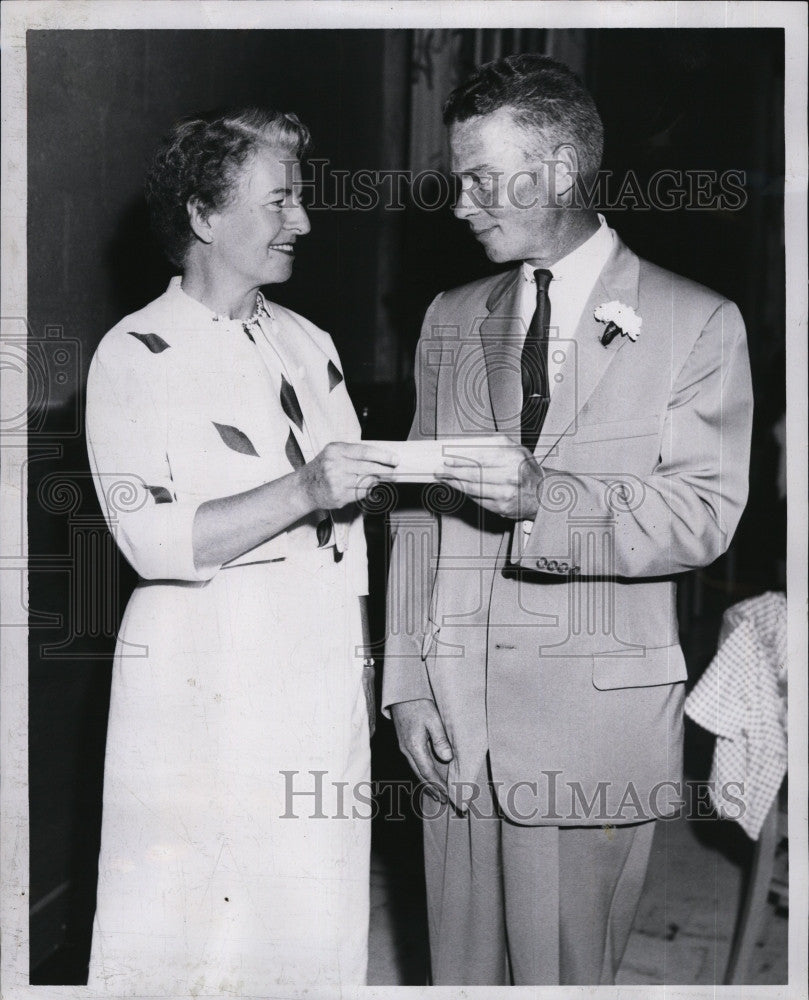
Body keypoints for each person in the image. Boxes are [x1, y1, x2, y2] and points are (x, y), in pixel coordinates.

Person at [383, 55, 753, 985]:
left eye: (477, 177)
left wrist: (546, 501)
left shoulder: (696, 322)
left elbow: (704, 515)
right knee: (459, 972)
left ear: (553, 169)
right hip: (453, 716)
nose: (460, 202)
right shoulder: (448, 315)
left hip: (591, 725)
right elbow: (417, 516)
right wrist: (405, 687)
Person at [85, 107, 397, 993]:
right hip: (203, 682)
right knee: (194, 926)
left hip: (320, 673)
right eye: (280, 201)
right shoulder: (135, 356)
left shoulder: (309, 343)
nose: (301, 221)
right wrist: (302, 489)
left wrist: (362, 660)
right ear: (203, 216)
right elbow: (150, 541)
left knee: (313, 914)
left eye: (299, 199)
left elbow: (351, 533)